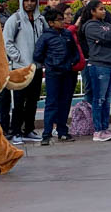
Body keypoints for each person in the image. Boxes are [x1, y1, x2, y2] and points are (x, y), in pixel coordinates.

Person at [3, 0, 46, 143]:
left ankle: (29, 130)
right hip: (20, 68)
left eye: (32, 0)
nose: (29, 3)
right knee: (19, 101)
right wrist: (19, 58)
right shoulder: (15, 20)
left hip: (36, 67)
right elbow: (7, 41)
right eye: (26, 0)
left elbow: (46, 38)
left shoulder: (40, 20)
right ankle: (16, 132)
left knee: (33, 100)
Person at [34, 8, 81, 145]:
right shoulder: (46, 37)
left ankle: (62, 131)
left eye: (62, 19)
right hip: (53, 73)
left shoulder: (67, 34)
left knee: (65, 102)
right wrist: (50, 63)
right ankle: (46, 133)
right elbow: (37, 54)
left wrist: (71, 63)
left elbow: (75, 52)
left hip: (67, 72)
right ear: (51, 22)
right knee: (51, 103)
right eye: (59, 20)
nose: (62, 22)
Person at [83, 0, 111, 142]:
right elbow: (108, 36)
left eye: (104, 9)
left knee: (106, 100)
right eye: (100, 9)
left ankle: (105, 128)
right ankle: (98, 130)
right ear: (92, 11)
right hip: (99, 65)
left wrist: (107, 39)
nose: (104, 11)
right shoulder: (90, 26)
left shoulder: (106, 25)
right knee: (99, 99)